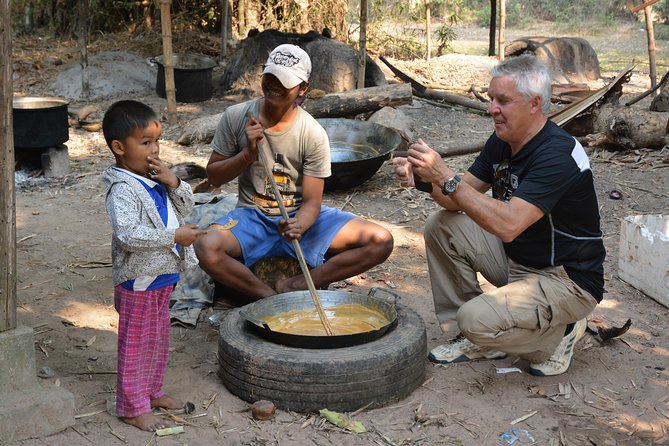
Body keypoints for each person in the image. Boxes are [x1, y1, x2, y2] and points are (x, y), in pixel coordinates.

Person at [393, 54, 605, 376]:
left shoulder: (558, 154)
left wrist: (446, 176)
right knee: (441, 225)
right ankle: (473, 336)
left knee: (476, 318)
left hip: (566, 279)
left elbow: (508, 225)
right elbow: (456, 199)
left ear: (535, 104)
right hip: (519, 261)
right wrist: (428, 178)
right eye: (492, 98)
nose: (492, 108)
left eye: (503, 101)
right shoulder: (504, 140)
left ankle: (560, 333)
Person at [195, 44, 393, 301]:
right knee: (205, 246)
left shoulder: (312, 133)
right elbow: (214, 177)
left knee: (380, 240)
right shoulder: (236, 117)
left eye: (285, 81)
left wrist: (301, 223)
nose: (275, 85)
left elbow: (312, 202)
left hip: (300, 218)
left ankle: (297, 284)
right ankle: (267, 298)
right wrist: (247, 155)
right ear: (262, 76)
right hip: (252, 216)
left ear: (303, 88)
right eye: (271, 77)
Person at [101, 100, 207, 431]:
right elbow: (129, 235)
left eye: (157, 141)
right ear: (119, 147)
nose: (154, 150)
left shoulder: (153, 176)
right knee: (136, 342)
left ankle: (152, 391)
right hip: (139, 278)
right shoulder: (121, 189)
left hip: (163, 273)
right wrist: (173, 235)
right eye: (145, 142)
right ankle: (132, 406)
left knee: (158, 339)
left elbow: (187, 204)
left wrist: (173, 180)